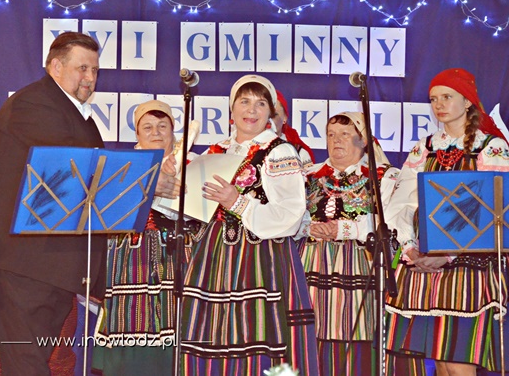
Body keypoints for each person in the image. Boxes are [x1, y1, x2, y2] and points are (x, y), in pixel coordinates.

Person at [0, 32, 107, 376]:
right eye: (82, 68)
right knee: (25, 364)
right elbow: (70, 170)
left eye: (95, 70)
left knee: (30, 362)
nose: (90, 77)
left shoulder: (76, 113)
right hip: (20, 263)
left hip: (46, 264)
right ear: (55, 67)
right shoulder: (33, 104)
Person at [181, 74, 319, 375]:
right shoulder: (216, 150)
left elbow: (291, 213)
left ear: (271, 112)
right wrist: (174, 179)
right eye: (244, 101)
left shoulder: (279, 151)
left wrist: (238, 202)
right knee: (212, 332)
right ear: (231, 109)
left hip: (261, 258)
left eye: (260, 103)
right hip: (214, 258)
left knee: (258, 333)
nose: (251, 110)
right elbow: (190, 206)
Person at [384, 68, 509, 376]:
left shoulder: (491, 147)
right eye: (433, 99)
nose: (439, 104)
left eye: (447, 97)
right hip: (424, 264)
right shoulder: (425, 147)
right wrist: (410, 247)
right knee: (439, 361)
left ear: (467, 101)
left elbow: (493, 210)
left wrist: (448, 253)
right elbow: (402, 202)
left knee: (457, 361)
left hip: (468, 265)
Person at [93, 99, 200, 374]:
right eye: (148, 127)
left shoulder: (193, 165)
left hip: (178, 256)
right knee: (131, 321)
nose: (156, 133)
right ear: (137, 133)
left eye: (162, 126)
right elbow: (105, 209)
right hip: (131, 258)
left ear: (173, 131)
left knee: (178, 325)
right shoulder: (124, 166)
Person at [298, 112, 399, 375]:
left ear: (363, 140)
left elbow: (390, 222)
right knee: (308, 337)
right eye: (331, 134)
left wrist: (344, 229)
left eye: (345, 134)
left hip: (360, 264)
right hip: (310, 265)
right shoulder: (307, 175)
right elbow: (287, 214)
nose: (336, 140)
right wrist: (309, 227)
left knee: (355, 336)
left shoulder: (383, 177)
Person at [274, 89, 315, 169]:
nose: (268, 119)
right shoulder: (248, 146)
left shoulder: (300, 153)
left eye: (274, 114)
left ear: (285, 118)